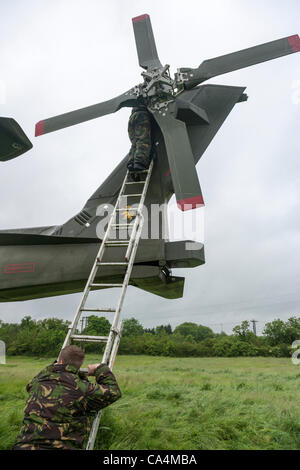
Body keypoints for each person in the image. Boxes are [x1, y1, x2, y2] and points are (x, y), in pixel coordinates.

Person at [13, 345, 121, 450]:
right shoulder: (82, 389)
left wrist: (55, 366)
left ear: (60, 361)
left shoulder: (37, 381)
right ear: (79, 366)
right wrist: (100, 368)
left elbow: (30, 386)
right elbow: (114, 391)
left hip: (24, 446)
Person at [127, 103, 152, 172]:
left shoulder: (136, 104)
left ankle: (131, 162)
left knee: (134, 143)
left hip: (132, 119)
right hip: (141, 116)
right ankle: (139, 161)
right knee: (143, 139)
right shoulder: (145, 100)